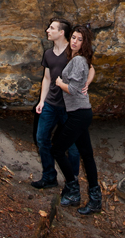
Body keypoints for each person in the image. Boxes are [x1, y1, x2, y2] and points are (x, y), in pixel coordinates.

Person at [33, 18, 94, 191]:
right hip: (51, 104)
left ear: (61, 33)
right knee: (42, 139)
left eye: (51, 28)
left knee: (73, 147)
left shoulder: (73, 50)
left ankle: (71, 181)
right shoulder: (48, 54)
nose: (47, 30)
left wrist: (86, 83)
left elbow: (91, 68)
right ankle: (49, 177)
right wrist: (41, 101)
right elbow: (47, 78)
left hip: (70, 108)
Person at [52, 24, 102, 215]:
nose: (75, 42)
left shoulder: (79, 60)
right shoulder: (77, 59)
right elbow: (91, 69)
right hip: (81, 111)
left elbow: (72, 89)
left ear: (84, 43)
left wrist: (59, 83)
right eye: (73, 37)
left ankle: (73, 190)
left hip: (79, 113)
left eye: (80, 40)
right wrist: (87, 83)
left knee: (56, 148)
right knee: (87, 155)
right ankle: (95, 199)